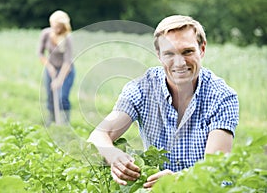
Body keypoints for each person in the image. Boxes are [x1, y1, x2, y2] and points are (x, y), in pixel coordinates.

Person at [87, 15, 239, 188]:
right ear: (159, 55)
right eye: (169, 54)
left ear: (202, 49)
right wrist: (113, 155)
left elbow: (214, 168)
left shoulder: (222, 96)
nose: (180, 63)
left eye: (187, 51)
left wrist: (178, 180)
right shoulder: (142, 89)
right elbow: (98, 135)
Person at [38, 10, 75, 126]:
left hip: (66, 70)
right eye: (54, 25)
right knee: (50, 96)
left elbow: (67, 62)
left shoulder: (67, 38)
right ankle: (52, 120)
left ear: (64, 26)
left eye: (59, 27)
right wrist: (49, 67)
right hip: (51, 68)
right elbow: (40, 54)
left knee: (62, 97)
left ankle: (64, 123)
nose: (56, 29)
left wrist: (59, 80)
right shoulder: (45, 34)